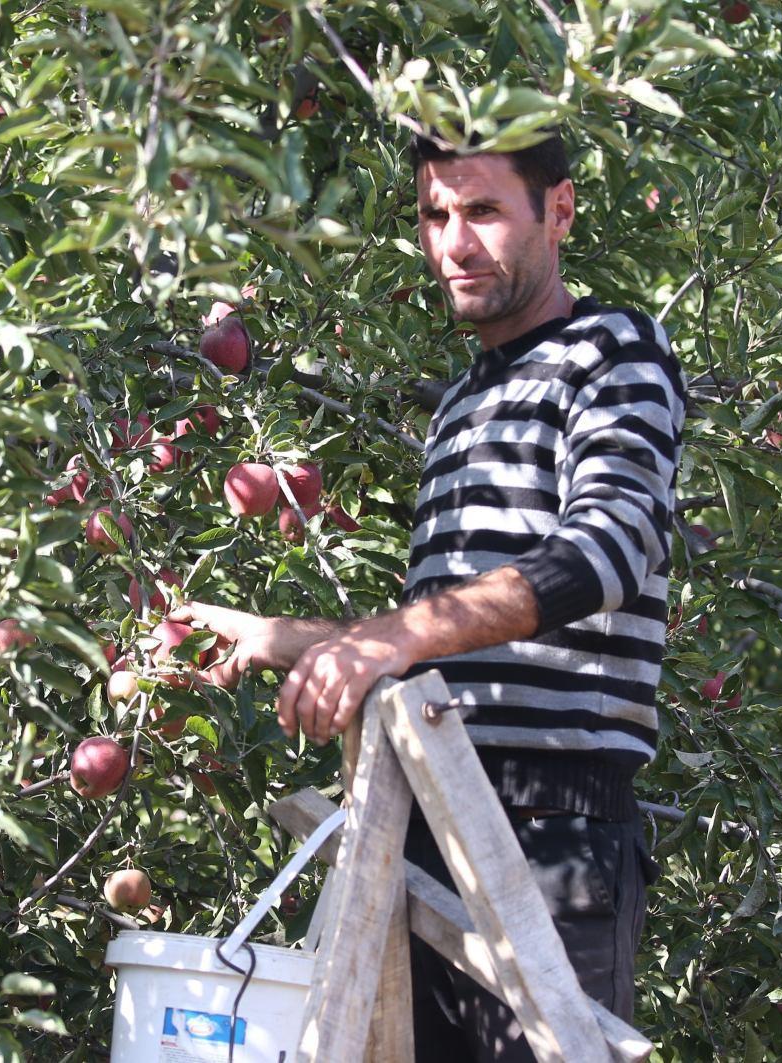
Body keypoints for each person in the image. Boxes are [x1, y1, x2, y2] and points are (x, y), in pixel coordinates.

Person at [168, 127, 687, 1058]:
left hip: (546, 836)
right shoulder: (461, 404)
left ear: (558, 209)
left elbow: (606, 551)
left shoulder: (614, 353)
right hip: (419, 813)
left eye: (483, 210)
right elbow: (447, 631)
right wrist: (278, 636)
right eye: (434, 215)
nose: (453, 242)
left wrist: (391, 639)